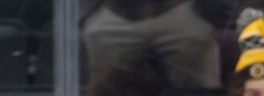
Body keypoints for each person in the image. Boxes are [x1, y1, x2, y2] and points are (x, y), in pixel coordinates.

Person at [82, 1, 225, 91]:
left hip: (181, 11)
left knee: (200, 95)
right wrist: (85, 12)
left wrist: (210, 11)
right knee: (109, 94)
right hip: (114, 15)